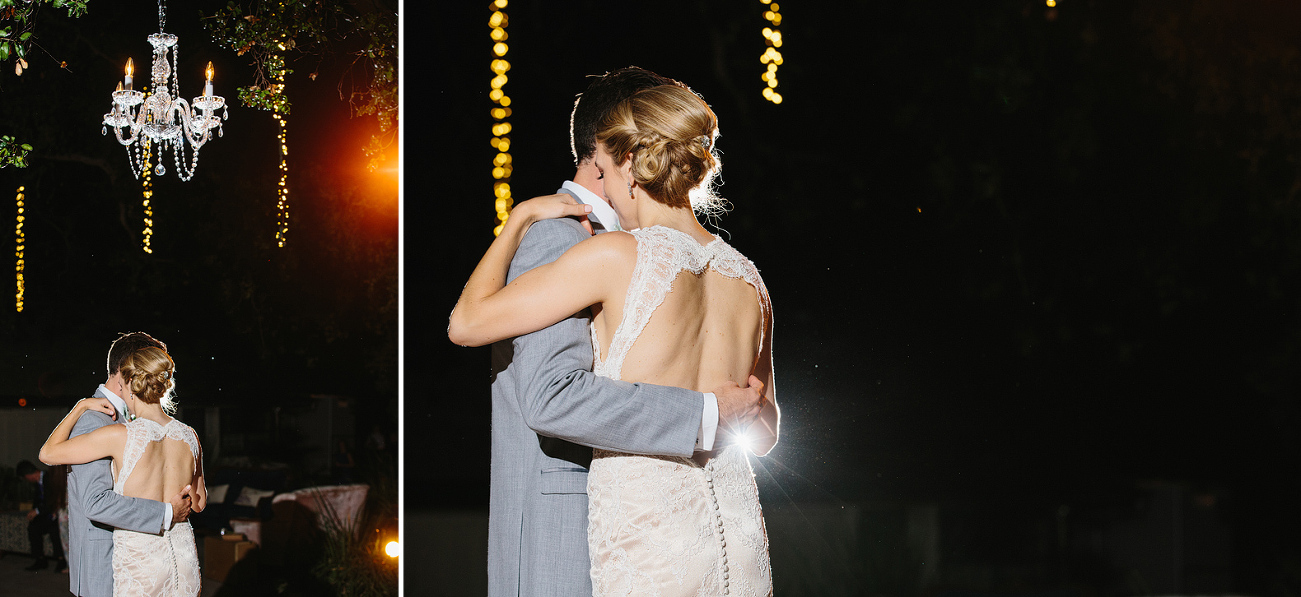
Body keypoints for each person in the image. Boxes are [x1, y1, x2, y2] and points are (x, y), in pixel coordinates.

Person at [449, 67, 766, 597]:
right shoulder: (560, 236)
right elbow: (549, 395)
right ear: (609, 151)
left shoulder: (622, 249)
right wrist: (710, 414)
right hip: (578, 522)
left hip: (654, 529)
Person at [40, 335, 206, 597]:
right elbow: (95, 502)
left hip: (140, 563)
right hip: (110, 563)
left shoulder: (126, 429)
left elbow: (48, 453)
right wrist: (167, 511)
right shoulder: (94, 420)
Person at [17, 459, 66, 572]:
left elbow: (53, 499)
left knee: (55, 530)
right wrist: (34, 512)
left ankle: (61, 559)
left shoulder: (50, 478)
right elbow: (38, 501)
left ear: (28, 475)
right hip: (45, 514)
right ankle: (40, 559)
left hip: (55, 513)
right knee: (33, 528)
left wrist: (38, 511)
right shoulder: (37, 484)